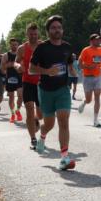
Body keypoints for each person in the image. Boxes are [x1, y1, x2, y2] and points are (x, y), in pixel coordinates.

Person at [30, 15, 76, 170]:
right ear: (48, 31)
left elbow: (69, 61)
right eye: (53, 28)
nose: (57, 30)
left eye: (59, 27)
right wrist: (47, 71)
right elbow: (31, 68)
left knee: (63, 121)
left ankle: (64, 157)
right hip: (45, 90)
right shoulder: (42, 48)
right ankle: (42, 136)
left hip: (62, 90)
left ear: (62, 30)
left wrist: (72, 69)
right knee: (49, 124)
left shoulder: (67, 47)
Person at [16, 24, 45, 150]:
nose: (33, 36)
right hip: (27, 81)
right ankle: (33, 138)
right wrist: (18, 66)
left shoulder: (43, 46)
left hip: (41, 82)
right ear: (27, 34)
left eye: (35, 34)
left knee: (41, 113)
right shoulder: (22, 48)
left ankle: (36, 119)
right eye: (31, 34)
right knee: (29, 109)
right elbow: (16, 61)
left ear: (38, 34)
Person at [77, 33, 101, 127]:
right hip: (87, 77)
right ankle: (84, 102)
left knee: (97, 97)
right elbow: (79, 65)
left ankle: (96, 120)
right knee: (89, 99)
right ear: (91, 41)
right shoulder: (86, 50)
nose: (99, 41)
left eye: (99, 39)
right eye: (97, 39)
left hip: (97, 77)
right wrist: (88, 66)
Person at [4, 38, 23, 123]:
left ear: (18, 45)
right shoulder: (6, 55)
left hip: (20, 77)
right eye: (12, 44)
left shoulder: (21, 54)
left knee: (20, 96)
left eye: (15, 44)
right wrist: (10, 65)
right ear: (10, 45)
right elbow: (2, 67)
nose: (14, 46)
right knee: (11, 97)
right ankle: (12, 114)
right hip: (10, 78)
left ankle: (17, 110)